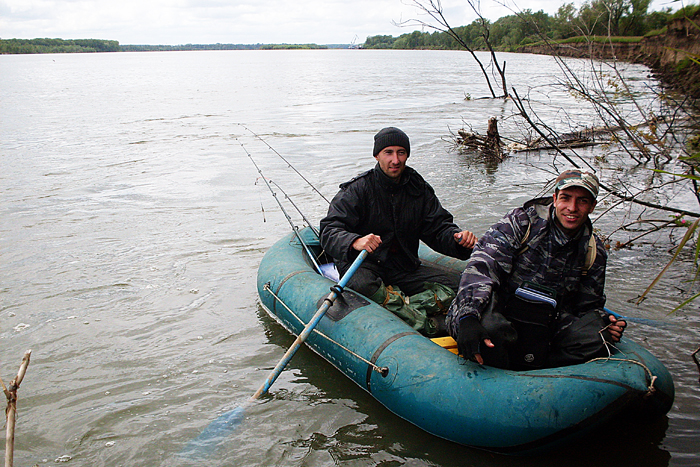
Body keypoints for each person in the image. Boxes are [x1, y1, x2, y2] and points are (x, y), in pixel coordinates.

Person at [446, 169, 627, 370]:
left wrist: (604, 322)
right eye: (566, 198)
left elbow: (587, 305)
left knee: (597, 338)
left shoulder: (594, 251)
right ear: (555, 198)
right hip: (500, 309)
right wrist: (468, 316)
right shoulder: (521, 223)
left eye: (582, 201)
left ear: (592, 206)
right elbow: (482, 267)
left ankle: (539, 371)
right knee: (490, 327)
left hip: (545, 323)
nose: (572, 208)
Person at [319, 127, 477, 333]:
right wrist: (354, 242)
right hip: (365, 267)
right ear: (377, 155)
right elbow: (329, 230)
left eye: (401, 153)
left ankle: (409, 305)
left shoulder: (418, 188)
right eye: (389, 152)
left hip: (403, 267)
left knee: (460, 286)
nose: (395, 160)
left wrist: (458, 240)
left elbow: (438, 228)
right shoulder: (358, 189)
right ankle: (427, 323)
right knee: (362, 286)